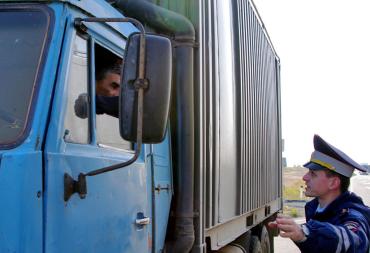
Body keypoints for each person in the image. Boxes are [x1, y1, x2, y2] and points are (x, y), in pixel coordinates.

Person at [269, 134, 370, 253]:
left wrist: (306, 233)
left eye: (313, 174)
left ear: (333, 183)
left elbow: (353, 240)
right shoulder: (315, 208)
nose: (305, 177)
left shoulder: (353, 214)